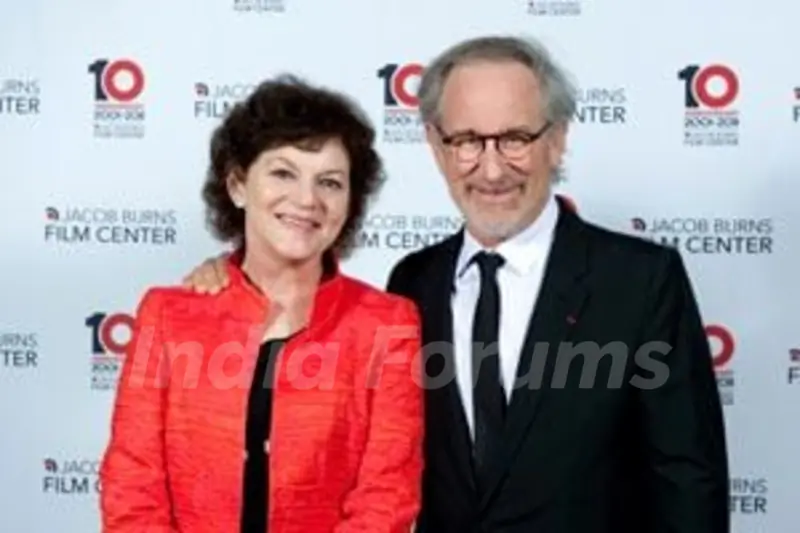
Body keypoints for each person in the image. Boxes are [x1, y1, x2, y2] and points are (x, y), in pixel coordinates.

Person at [181, 35, 730, 533]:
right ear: (436, 145)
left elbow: (689, 483)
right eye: (466, 140)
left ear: (557, 139)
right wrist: (229, 278)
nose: (491, 169)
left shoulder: (640, 280)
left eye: (515, 138)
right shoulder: (412, 283)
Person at [99, 74, 424, 533]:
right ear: (237, 185)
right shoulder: (167, 315)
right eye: (283, 173)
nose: (307, 199)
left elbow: (385, 499)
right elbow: (132, 487)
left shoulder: (388, 325)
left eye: (330, 182)